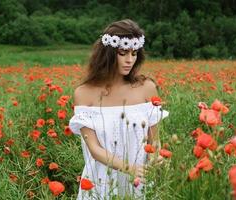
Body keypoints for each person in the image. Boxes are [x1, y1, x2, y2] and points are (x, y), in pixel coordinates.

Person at [69, 19, 169, 200]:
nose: (130, 60)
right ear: (107, 54)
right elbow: (94, 149)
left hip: (140, 180)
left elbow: (154, 142)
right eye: (123, 53)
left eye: (134, 53)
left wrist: (156, 159)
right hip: (101, 183)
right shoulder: (84, 94)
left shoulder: (147, 88)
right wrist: (129, 168)